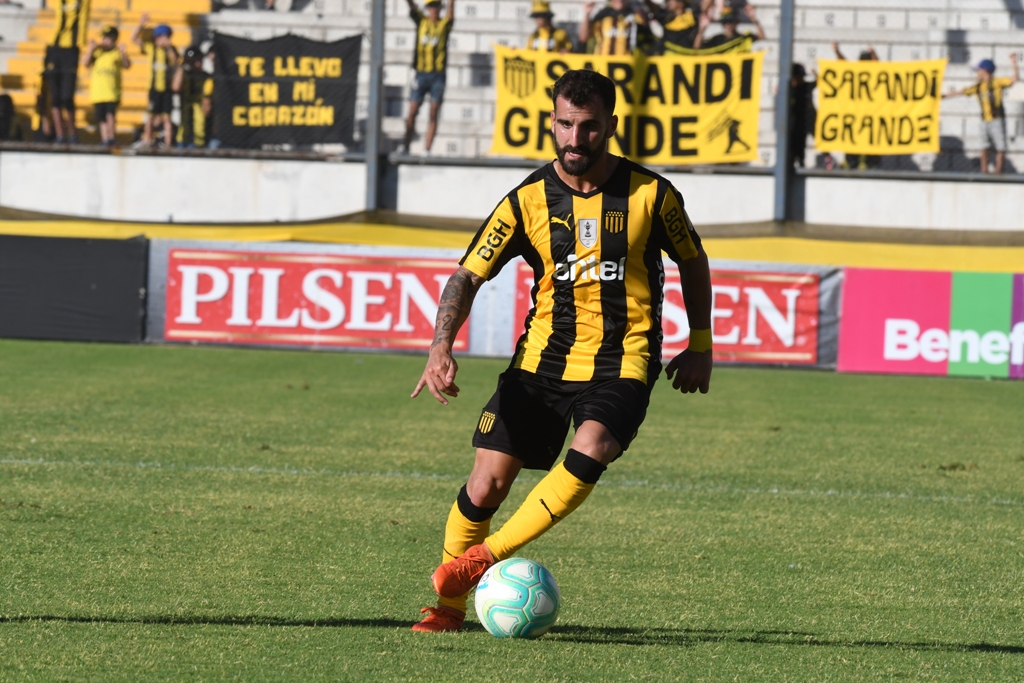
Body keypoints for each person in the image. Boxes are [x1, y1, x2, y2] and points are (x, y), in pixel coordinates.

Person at [409, 69, 714, 633]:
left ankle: (485, 558)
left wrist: (701, 344)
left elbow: (692, 259)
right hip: (541, 361)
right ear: (552, 122)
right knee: (486, 484)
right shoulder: (525, 201)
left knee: (592, 445)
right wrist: (439, 347)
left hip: (624, 358)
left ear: (611, 127)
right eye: (565, 125)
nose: (575, 140)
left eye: (590, 127)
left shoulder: (652, 194)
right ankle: (447, 610)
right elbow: (466, 276)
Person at [944, 56, 1020, 175]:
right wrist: (944, 96)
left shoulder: (997, 82)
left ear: (985, 71)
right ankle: (983, 170)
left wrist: (1014, 63)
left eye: (978, 71)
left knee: (1000, 147)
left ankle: (998, 171)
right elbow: (962, 92)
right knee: (984, 146)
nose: (977, 74)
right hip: (984, 121)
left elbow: (1014, 79)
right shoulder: (978, 87)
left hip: (997, 119)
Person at [403, 0, 455, 155]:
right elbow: (412, 7)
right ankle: (406, 145)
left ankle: (427, 148)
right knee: (412, 110)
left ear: (440, 8)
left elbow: (451, 15)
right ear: (427, 8)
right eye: (431, 6)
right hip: (421, 73)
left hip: (438, 75)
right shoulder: (421, 22)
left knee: (434, 111)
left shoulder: (444, 25)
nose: (433, 9)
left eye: (436, 6)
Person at [46, 0, 92, 143]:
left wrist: (82, 45)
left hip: (71, 50)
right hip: (54, 48)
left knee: (67, 96)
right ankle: (60, 135)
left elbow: (83, 18)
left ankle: (72, 133)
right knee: (55, 97)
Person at [132, 15, 178, 148]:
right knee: (151, 117)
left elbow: (176, 61)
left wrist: (169, 47)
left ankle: (168, 144)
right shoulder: (151, 48)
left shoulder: (170, 51)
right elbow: (133, 39)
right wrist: (141, 25)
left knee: (167, 118)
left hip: (166, 89)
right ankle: (147, 141)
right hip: (154, 89)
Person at [84, 27, 131, 147]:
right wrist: (90, 50)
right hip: (98, 92)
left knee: (110, 116)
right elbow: (85, 63)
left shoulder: (116, 53)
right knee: (101, 118)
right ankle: (105, 138)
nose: (103, 41)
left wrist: (123, 53)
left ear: (113, 39)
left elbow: (127, 65)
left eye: (106, 39)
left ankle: (111, 137)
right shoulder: (97, 52)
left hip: (112, 92)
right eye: (103, 38)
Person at [579, 0, 654, 56]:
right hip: (603, 63)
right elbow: (584, 38)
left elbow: (649, 38)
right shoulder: (602, 15)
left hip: (628, 66)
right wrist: (587, 14)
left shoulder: (636, 14)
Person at [173, 46, 214, 148]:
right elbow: (176, 87)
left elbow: (207, 106)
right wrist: (182, 65)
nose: (197, 63)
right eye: (193, 61)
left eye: (199, 60)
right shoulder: (185, 75)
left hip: (199, 135)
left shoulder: (207, 77)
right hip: (184, 131)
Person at [694, 3, 762, 52]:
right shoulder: (718, 39)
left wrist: (754, 19)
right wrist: (702, 30)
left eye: (731, 21)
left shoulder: (743, 38)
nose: (728, 25)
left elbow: (761, 38)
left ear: (736, 22)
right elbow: (697, 47)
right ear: (722, 24)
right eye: (725, 22)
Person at [788, 63, 815, 168]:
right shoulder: (790, 89)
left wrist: (816, 74)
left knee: (801, 147)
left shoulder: (806, 86)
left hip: (804, 121)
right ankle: (791, 163)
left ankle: (801, 162)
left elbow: (820, 82)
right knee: (791, 147)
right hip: (792, 123)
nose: (801, 79)